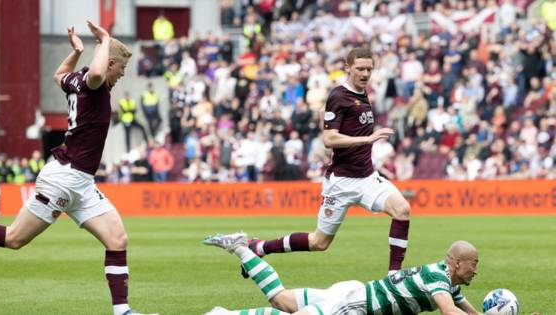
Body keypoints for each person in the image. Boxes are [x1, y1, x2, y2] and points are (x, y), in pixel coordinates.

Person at [0, 21, 157, 315]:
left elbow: (59, 75)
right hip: (64, 179)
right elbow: (99, 72)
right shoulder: (95, 82)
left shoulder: (78, 79)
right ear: (110, 62)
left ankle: (122, 311)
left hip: (82, 183)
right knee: (14, 239)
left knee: (117, 239)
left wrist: (76, 51)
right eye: (121, 69)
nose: (122, 75)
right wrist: (104, 39)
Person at [243, 47, 411, 275]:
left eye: (369, 69)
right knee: (319, 242)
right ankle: (260, 247)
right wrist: (368, 138)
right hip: (341, 183)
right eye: (360, 69)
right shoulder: (338, 96)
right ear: (347, 68)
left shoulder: (363, 94)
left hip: (368, 178)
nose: (365, 74)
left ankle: (394, 275)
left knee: (402, 209)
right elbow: (329, 139)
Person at [204, 233, 485, 315]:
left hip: (351, 294)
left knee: (281, 300)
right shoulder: (437, 278)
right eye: (474, 263)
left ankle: (241, 248)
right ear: (457, 263)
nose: (476, 269)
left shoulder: (446, 282)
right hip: (351, 305)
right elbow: (450, 314)